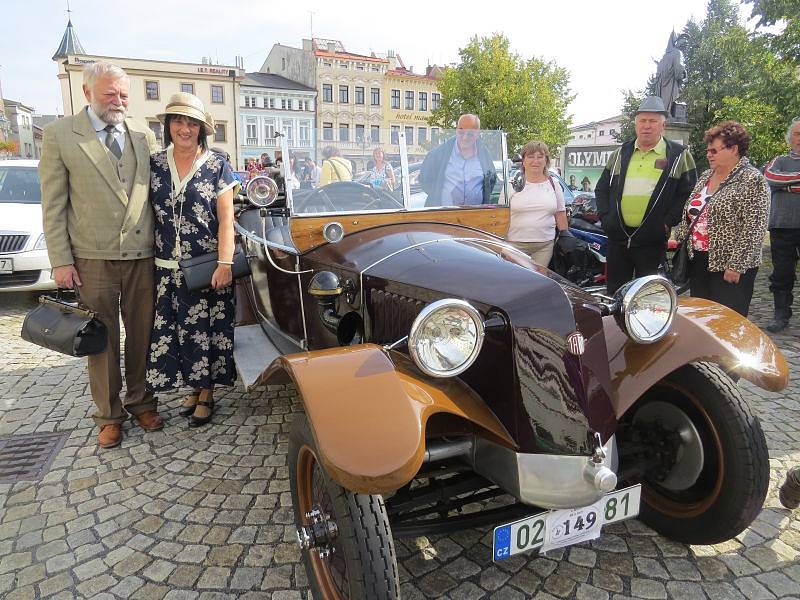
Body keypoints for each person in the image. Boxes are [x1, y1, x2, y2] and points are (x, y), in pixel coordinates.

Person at [39, 61, 161, 449]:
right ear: (88, 93)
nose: (118, 101)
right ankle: (108, 415)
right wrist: (61, 260)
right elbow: (53, 204)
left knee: (142, 334)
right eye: (110, 94)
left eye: (124, 94)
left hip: (142, 253)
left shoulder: (143, 134)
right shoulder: (61, 135)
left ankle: (140, 399)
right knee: (101, 339)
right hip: (91, 256)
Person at [147, 93, 240, 427]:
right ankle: (192, 388)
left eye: (191, 123)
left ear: (202, 129)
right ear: (168, 125)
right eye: (177, 121)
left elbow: (227, 219)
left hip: (206, 268)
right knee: (176, 332)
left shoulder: (217, 165)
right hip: (165, 269)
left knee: (207, 331)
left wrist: (226, 263)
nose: (184, 128)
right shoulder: (155, 164)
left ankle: (207, 392)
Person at [595, 96, 697, 294]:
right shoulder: (620, 153)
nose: (647, 126)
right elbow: (601, 189)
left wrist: (666, 223)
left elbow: (688, 193)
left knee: (650, 296)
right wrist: (606, 218)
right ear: (636, 124)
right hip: (618, 239)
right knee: (615, 294)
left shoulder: (678, 155)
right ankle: (615, 326)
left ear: (663, 125)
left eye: (653, 121)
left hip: (652, 241)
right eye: (642, 121)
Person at [673, 121, 769, 317]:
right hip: (698, 261)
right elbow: (691, 212)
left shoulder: (752, 179)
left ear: (733, 149)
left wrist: (736, 265)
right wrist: (678, 238)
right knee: (702, 317)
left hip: (729, 266)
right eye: (708, 150)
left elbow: (754, 228)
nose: (709, 155)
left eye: (714, 151)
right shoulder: (706, 176)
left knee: (727, 321)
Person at [506, 141, 569, 267]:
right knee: (516, 282)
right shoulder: (511, 184)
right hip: (514, 245)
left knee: (540, 282)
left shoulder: (554, 184)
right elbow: (501, 215)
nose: (536, 161)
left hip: (545, 246)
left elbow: (560, 213)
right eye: (530, 156)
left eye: (540, 157)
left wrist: (565, 237)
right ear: (523, 160)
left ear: (546, 161)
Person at [763, 118, 800, 332]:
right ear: (790, 138)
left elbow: (781, 183)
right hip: (782, 226)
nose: (799, 139)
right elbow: (771, 177)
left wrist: (788, 186)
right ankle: (781, 314)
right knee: (782, 273)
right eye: (797, 134)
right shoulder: (780, 160)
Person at [419, 113, 497, 206]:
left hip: (476, 216)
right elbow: (425, 180)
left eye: (470, 134)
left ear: (477, 134)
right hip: (444, 217)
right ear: (456, 130)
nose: (465, 137)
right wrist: (440, 195)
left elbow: (491, 181)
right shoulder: (439, 154)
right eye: (461, 132)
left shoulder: (484, 155)